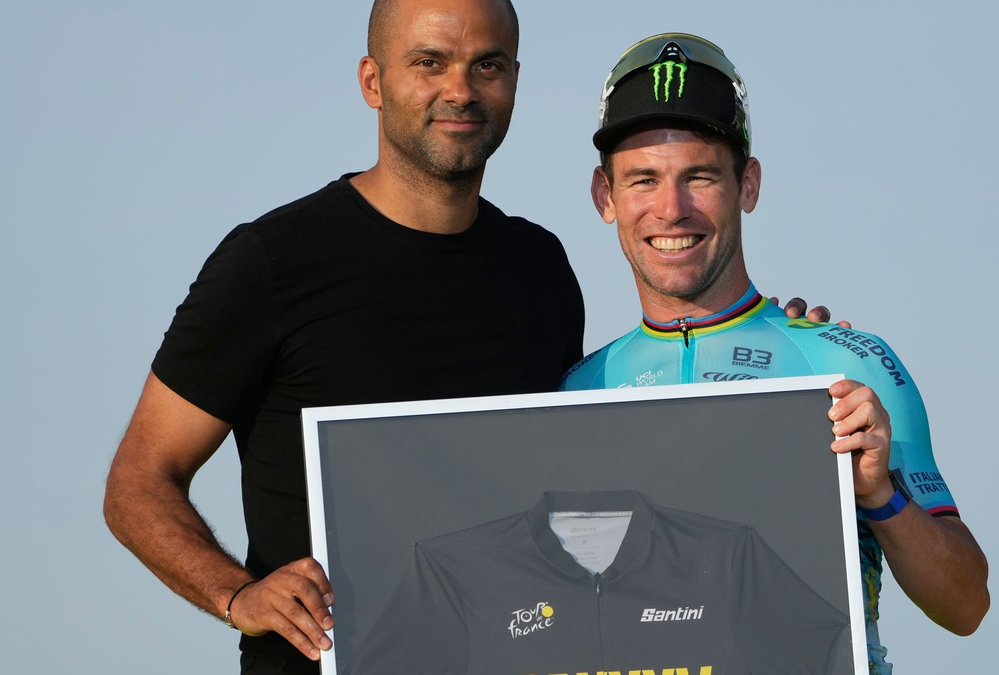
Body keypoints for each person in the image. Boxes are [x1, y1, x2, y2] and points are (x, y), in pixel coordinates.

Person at [102, 4, 828, 674]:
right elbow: (136, 484)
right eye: (429, 62)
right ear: (372, 81)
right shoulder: (271, 262)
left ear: (513, 81)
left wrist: (779, 344)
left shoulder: (539, 269)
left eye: (487, 65)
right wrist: (237, 594)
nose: (460, 89)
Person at [560, 33, 990, 674]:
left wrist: (882, 496)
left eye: (700, 176)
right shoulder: (576, 392)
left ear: (749, 185)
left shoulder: (849, 364)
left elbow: (966, 606)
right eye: (643, 179)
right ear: (605, 196)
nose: (671, 209)